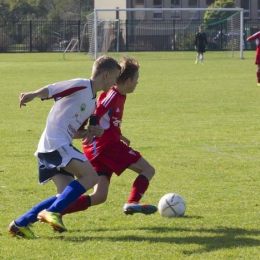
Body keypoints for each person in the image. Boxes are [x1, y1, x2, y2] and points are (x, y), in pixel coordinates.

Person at [8, 55, 121, 239]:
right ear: (106, 75)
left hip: (55, 144)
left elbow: (74, 130)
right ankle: (51, 212)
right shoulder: (82, 85)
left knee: (65, 194)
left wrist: (88, 132)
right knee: (91, 177)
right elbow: (53, 89)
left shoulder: (93, 101)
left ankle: (20, 224)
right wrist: (35, 94)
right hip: (55, 143)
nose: (116, 82)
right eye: (116, 77)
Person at [59, 56, 157, 220]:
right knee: (148, 169)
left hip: (101, 146)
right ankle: (133, 201)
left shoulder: (120, 95)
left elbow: (108, 121)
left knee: (100, 195)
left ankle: (56, 210)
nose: (137, 83)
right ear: (126, 81)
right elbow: (99, 110)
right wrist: (93, 127)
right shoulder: (114, 93)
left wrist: (119, 135)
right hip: (104, 146)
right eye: (136, 79)